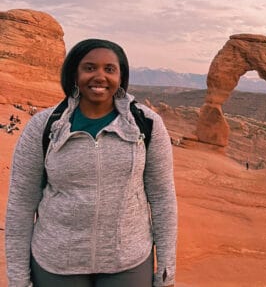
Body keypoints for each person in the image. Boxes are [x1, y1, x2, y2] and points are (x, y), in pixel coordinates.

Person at [5, 39, 177, 287]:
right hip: (58, 262)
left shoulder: (147, 124)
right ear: (75, 73)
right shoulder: (44, 126)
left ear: (121, 77)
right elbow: (21, 204)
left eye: (109, 69)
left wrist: (166, 270)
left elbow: (162, 198)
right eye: (89, 68)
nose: (99, 76)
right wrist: (18, 279)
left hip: (127, 261)